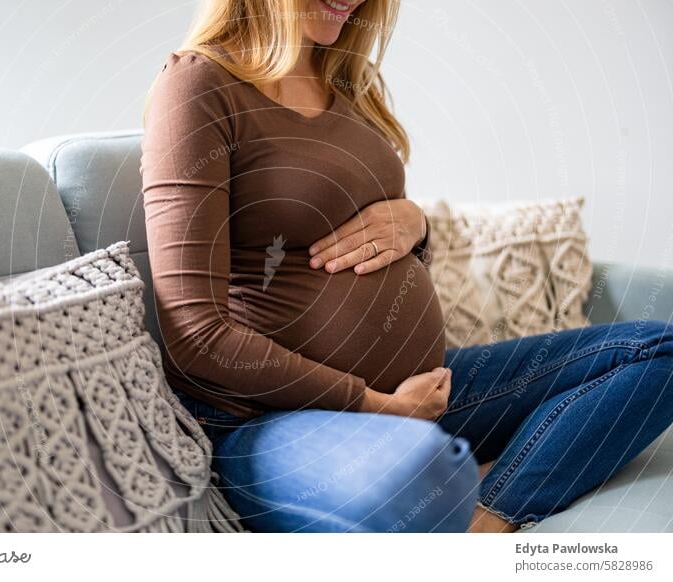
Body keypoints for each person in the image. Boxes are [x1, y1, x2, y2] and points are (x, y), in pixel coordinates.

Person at [140, 0, 673, 532]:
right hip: (275, 419)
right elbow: (195, 334)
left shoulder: (349, 85)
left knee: (659, 352)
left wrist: (417, 226)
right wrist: (370, 404)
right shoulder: (199, 86)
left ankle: (489, 517)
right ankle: (453, 486)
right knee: (419, 474)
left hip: (423, 392)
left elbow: (378, 249)